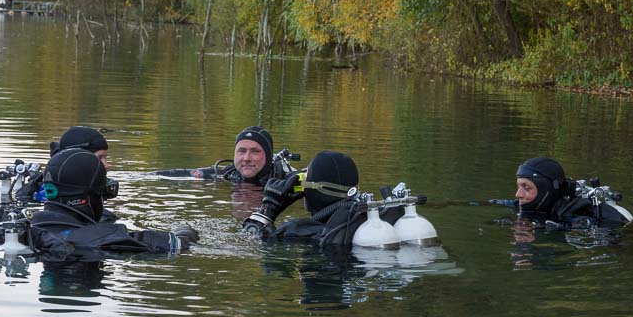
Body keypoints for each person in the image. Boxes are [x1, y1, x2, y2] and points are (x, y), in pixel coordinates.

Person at [24, 148, 198, 259]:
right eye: (103, 195)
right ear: (88, 197)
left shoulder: (28, 228)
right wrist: (187, 228)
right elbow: (181, 242)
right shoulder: (107, 238)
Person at [241, 150, 405, 246]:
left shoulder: (296, 230)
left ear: (317, 190)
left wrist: (270, 207)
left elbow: (249, 241)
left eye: (305, 181)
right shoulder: (365, 217)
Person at [511, 156, 633, 228]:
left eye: (526, 188)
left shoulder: (577, 218)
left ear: (545, 192)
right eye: (518, 186)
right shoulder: (540, 206)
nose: (518, 194)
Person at [155, 126, 292, 187]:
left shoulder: (286, 179)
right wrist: (142, 176)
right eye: (241, 151)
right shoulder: (226, 174)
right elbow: (181, 173)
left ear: (268, 156)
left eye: (255, 151)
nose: (246, 158)